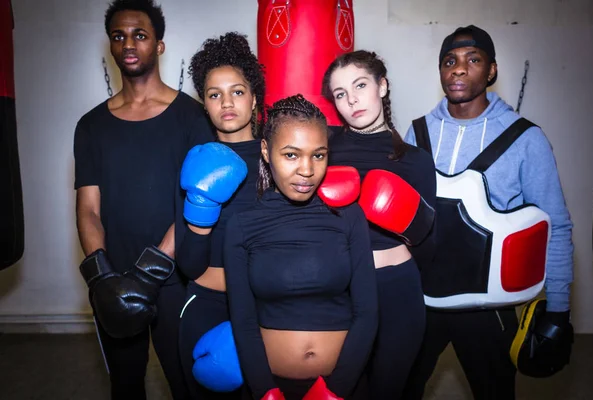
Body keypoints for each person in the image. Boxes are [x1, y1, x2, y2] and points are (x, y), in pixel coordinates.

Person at [402, 25, 574, 400]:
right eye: (450, 61)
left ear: (491, 71)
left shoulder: (526, 139)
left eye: (472, 60)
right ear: (441, 71)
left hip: (488, 305)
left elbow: (555, 226)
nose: (459, 69)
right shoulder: (416, 133)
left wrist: (558, 308)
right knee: (399, 388)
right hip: (423, 299)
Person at [73, 1, 213, 398]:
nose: (128, 43)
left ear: (159, 45)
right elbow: (88, 209)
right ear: (111, 46)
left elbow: (198, 201)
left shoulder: (194, 117)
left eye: (140, 34)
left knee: (188, 384)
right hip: (114, 278)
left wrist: (150, 272)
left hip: (175, 281)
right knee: (126, 387)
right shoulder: (90, 126)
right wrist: (104, 279)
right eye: (119, 36)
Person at [224, 94, 378, 400]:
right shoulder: (242, 224)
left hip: (344, 385)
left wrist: (336, 391)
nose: (307, 170)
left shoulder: (349, 215)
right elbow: (242, 320)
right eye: (291, 155)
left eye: (318, 155)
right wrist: (265, 391)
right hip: (271, 386)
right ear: (267, 151)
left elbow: (368, 312)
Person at [321, 50, 437, 399]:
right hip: (338, 288)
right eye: (340, 94)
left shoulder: (415, 160)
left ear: (382, 86)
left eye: (360, 85)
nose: (351, 99)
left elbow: (430, 248)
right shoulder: (322, 148)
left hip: (395, 290)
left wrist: (409, 221)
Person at [175, 31, 265, 399]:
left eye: (237, 91)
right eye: (215, 94)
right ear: (206, 104)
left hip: (265, 309)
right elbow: (189, 264)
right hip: (206, 304)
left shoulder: (279, 160)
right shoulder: (195, 161)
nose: (226, 102)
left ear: (254, 98)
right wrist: (201, 207)